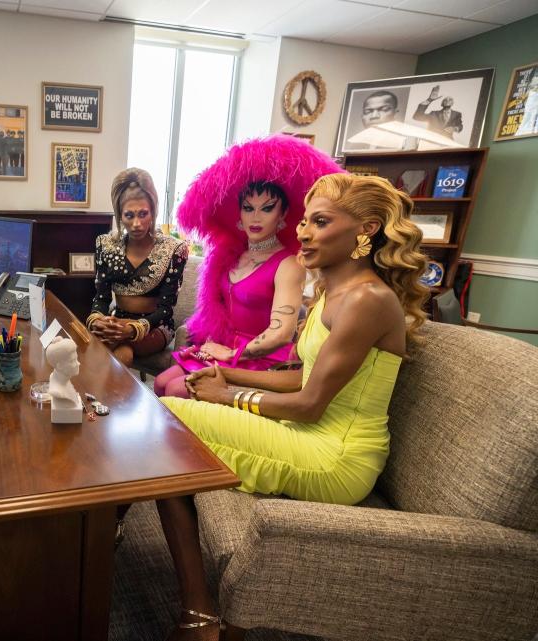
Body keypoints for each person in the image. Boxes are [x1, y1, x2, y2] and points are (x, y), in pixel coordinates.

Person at [156, 173, 428, 638]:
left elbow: (309, 404)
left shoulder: (368, 300)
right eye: (304, 221)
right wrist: (230, 373)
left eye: (319, 222)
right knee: (163, 419)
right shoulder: (331, 292)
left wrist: (229, 396)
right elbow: (303, 375)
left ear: (365, 229)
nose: (302, 232)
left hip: (337, 456)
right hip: (311, 434)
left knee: (164, 423)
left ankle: (197, 615)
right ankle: (196, 609)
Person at [154, 135, 344, 398]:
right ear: (239, 215)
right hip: (220, 348)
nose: (255, 217)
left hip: (259, 359)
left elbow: (281, 333)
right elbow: (217, 309)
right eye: (248, 208)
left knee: (176, 389)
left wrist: (233, 353)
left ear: (283, 215)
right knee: (162, 382)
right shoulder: (232, 255)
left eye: (267, 208)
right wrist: (213, 340)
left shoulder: (289, 264)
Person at [87, 168, 188, 369]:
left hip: (156, 326)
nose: (136, 224)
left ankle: (109, 397)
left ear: (153, 211)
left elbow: (166, 309)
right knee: (92, 345)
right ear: (119, 214)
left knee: (122, 351)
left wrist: (133, 329)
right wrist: (97, 320)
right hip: (118, 319)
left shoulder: (174, 249)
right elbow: (102, 298)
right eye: (129, 215)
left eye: (143, 214)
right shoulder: (106, 245)